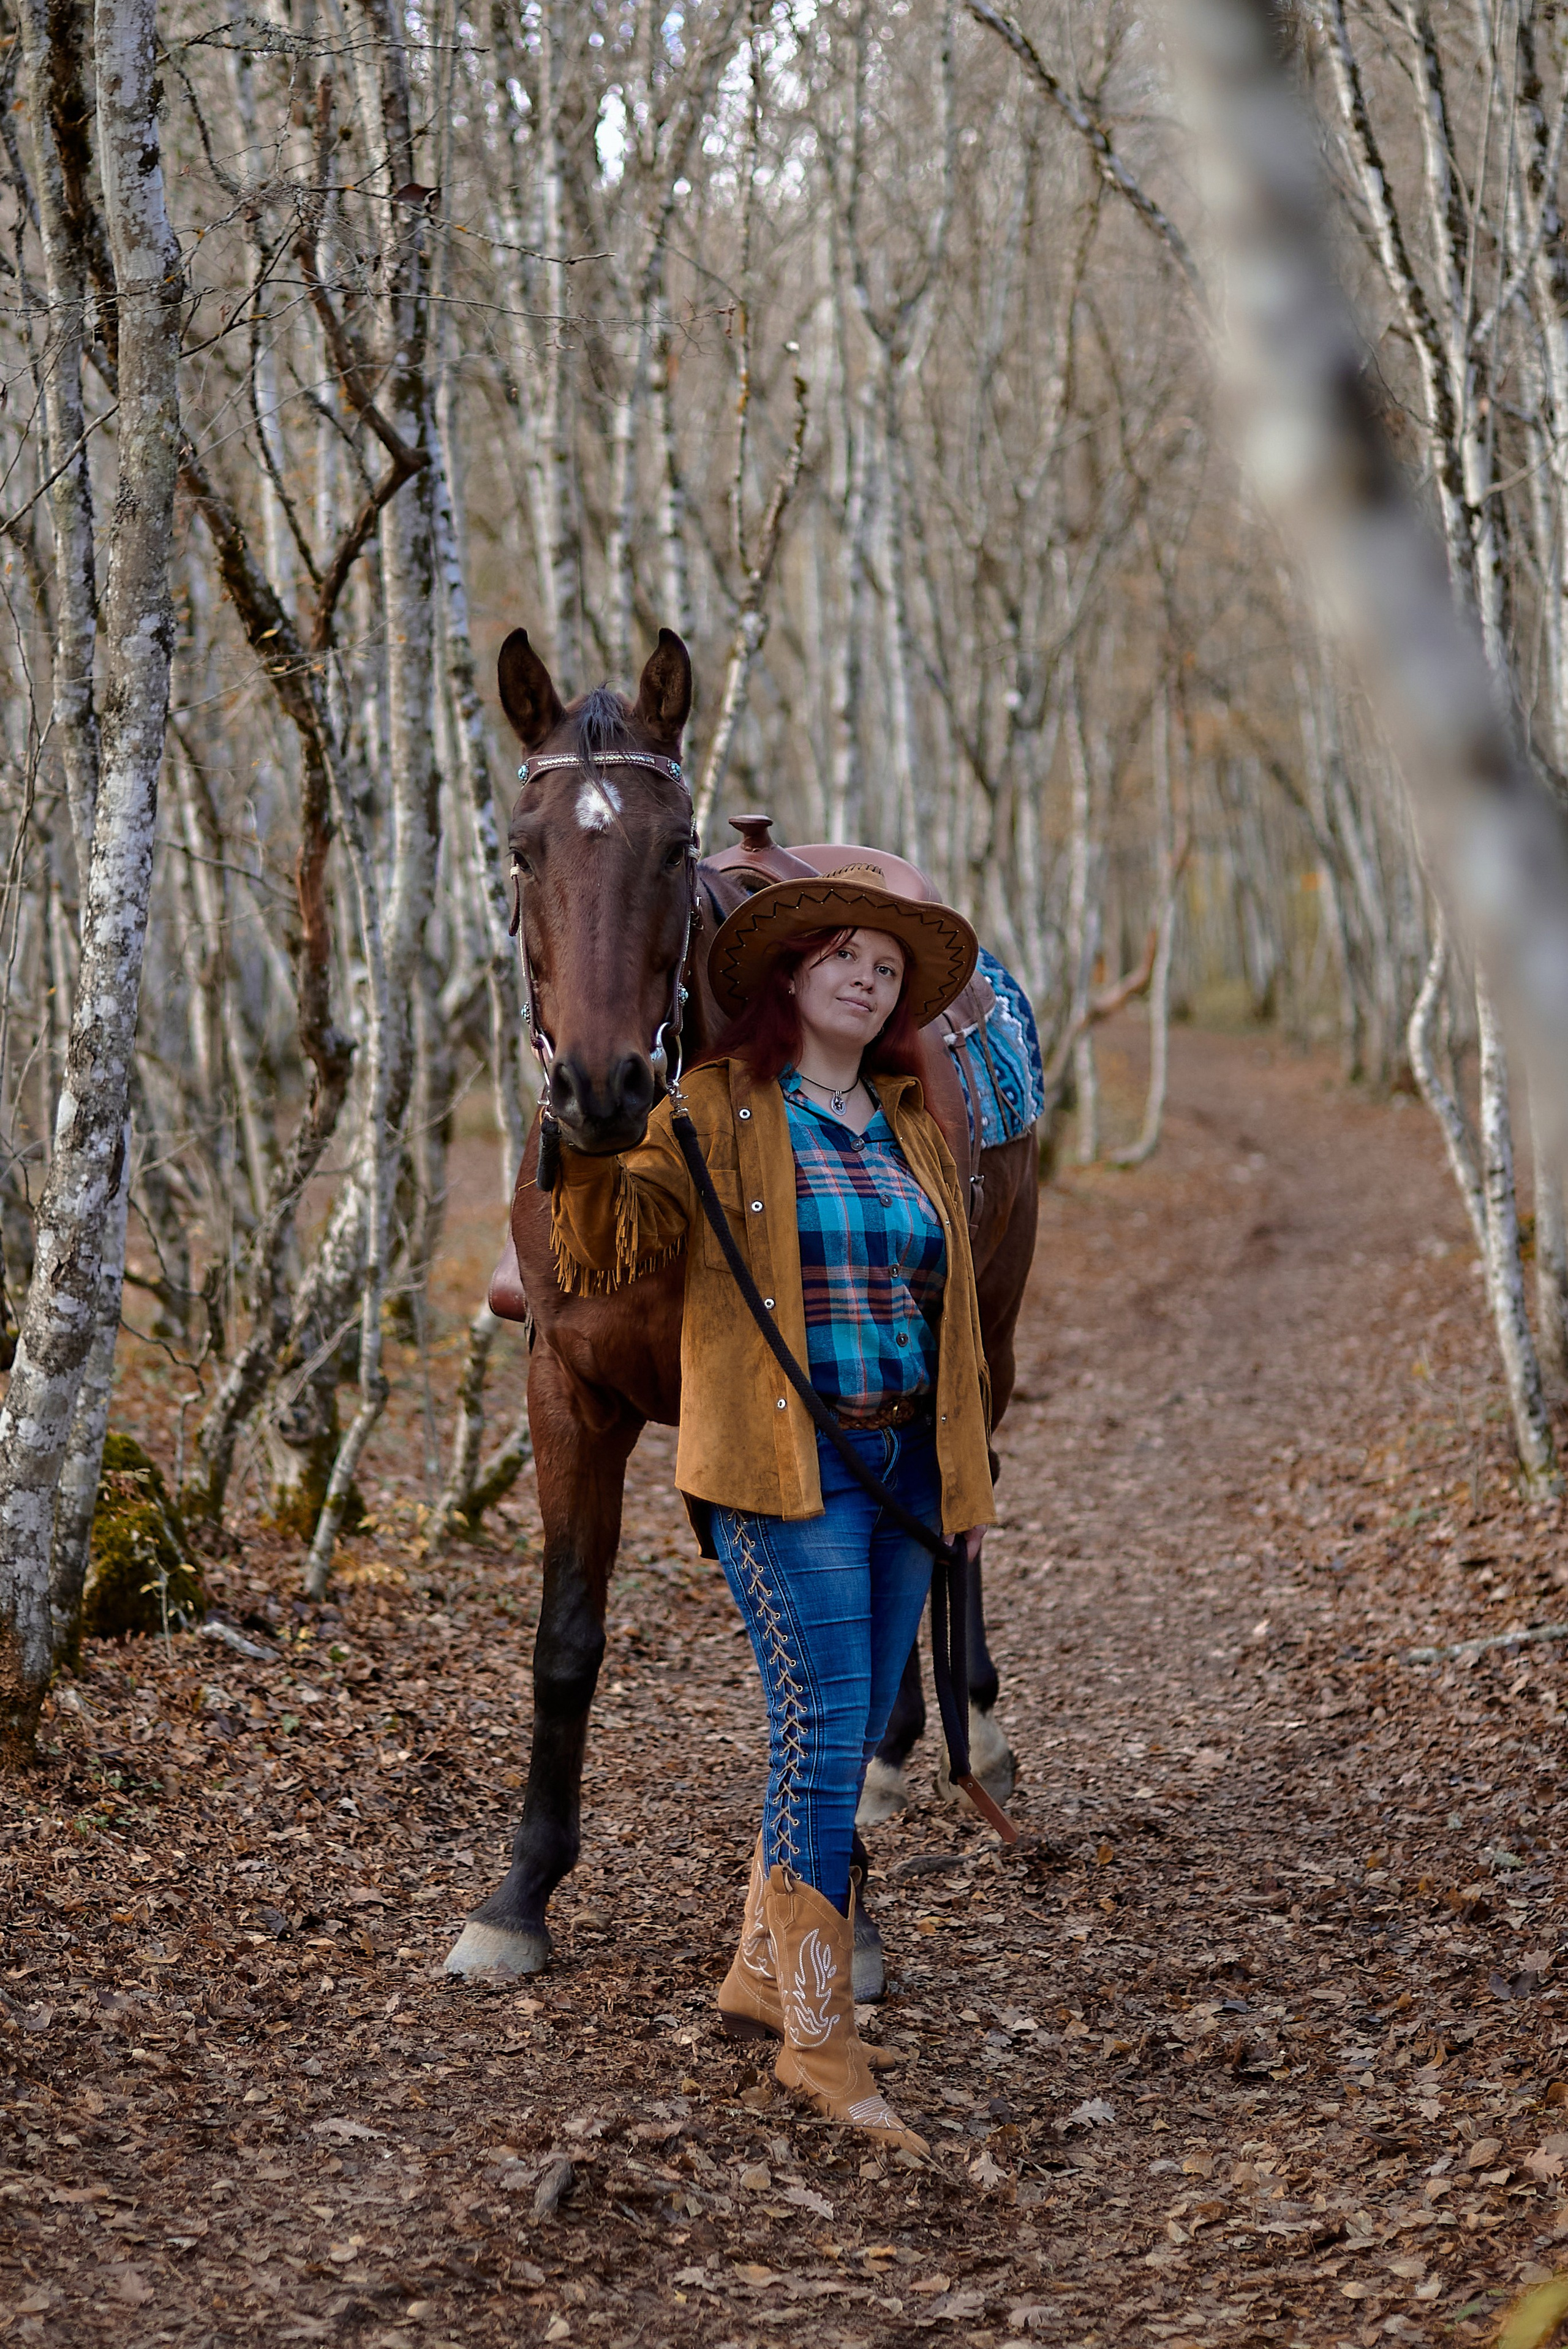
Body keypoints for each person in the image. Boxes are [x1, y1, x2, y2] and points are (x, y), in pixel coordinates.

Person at [549, 864, 995, 2155]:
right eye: (839, 955)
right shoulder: (708, 1113)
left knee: (838, 1740)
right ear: (787, 981)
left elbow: (949, 1320)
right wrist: (571, 1135)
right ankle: (815, 2039)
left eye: (886, 967)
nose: (867, 977)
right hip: (781, 1478)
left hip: (904, 1474)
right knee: (823, 1732)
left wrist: (964, 1489)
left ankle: (761, 1966)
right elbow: (605, 1243)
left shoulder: (910, 1122)